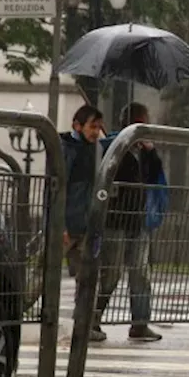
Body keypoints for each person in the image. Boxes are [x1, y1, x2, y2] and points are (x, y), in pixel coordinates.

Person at [92, 103, 165, 343]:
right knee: (110, 272)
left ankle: (140, 322)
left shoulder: (144, 151)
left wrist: (151, 151)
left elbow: (154, 175)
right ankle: (94, 318)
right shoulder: (115, 146)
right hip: (116, 219)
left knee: (140, 272)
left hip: (137, 218)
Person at [62, 104, 104, 336]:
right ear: (77, 126)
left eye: (98, 127)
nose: (95, 131)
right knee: (42, 276)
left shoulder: (94, 150)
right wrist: (60, 225)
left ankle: (83, 325)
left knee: (87, 279)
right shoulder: (67, 149)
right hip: (68, 224)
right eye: (92, 126)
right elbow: (58, 189)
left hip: (87, 225)